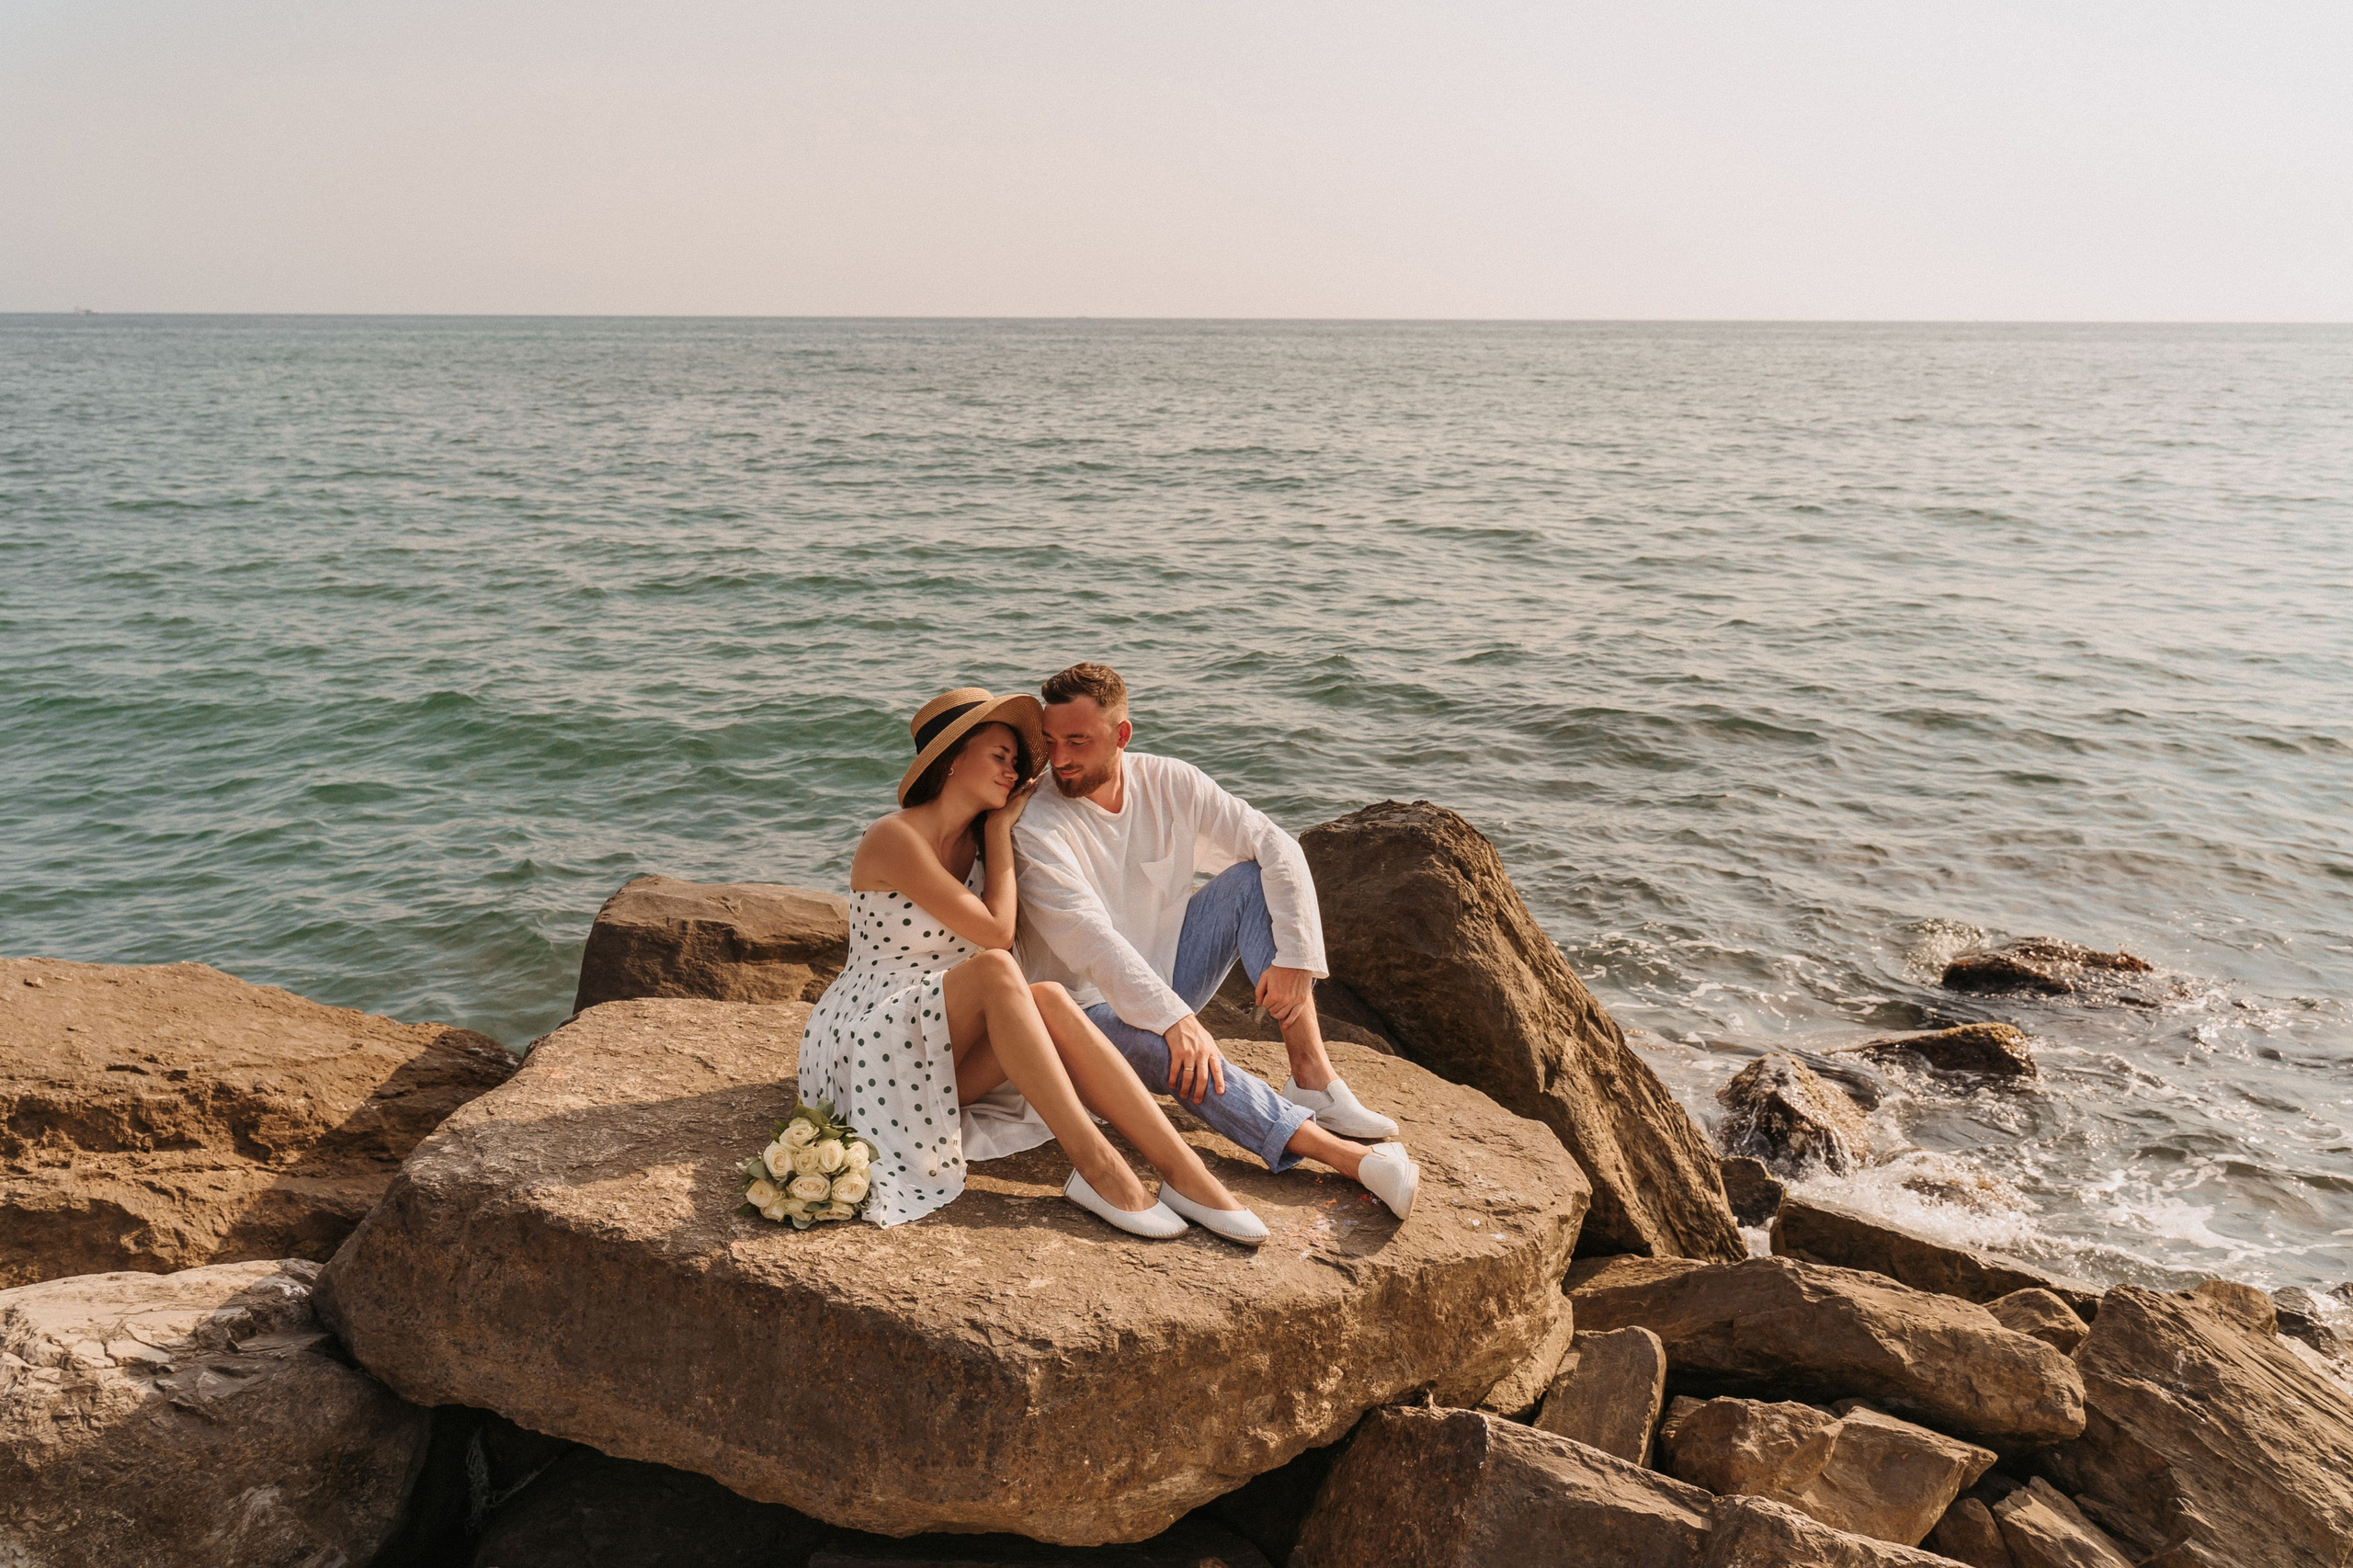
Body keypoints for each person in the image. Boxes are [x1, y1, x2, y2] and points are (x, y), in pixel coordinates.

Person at [798, 687, 1268, 1242]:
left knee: (1048, 995)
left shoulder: (980, 844)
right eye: (1000, 756)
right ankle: (1099, 1168)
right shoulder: (894, 837)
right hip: (867, 1036)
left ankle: (1185, 1174)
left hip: (939, 1045)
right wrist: (1000, 832)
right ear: (952, 758)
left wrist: (997, 837)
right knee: (1002, 971)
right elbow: (996, 936)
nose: (1013, 772)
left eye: (1017, 762)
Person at [1012, 663, 1419, 1221]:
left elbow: (1275, 845)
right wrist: (1177, 1022)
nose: (1059, 759)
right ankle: (1349, 1159)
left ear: (1122, 735)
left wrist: (1298, 959)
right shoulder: (1035, 824)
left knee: (1251, 880)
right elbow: (1091, 940)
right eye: (1051, 741)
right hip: (1077, 1013)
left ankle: (1313, 1080)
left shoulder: (1171, 782)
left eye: (1078, 741)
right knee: (1169, 1050)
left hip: (1159, 973)